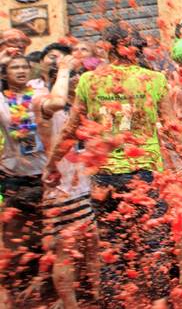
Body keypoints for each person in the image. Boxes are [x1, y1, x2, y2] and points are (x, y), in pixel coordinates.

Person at [44, 25, 182, 308]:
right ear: (136, 49)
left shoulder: (89, 80)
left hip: (104, 178)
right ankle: (159, 302)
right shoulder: (154, 79)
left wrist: (51, 165)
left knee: (112, 248)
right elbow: (173, 128)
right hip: (143, 174)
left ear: (107, 48)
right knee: (154, 245)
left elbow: (71, 130)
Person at [0, 55, 63, 306]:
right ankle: (8, 290)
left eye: (24, 67)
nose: (20, 71)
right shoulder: (2, 101)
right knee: (13, 238)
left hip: (45, 176)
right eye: (14, 67)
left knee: (51, 234)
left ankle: (52, 289)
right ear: (5, 74)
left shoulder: (40, 96)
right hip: (14, 177)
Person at [40, 56, 100, 308]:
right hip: (61, 193)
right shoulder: (47, 108)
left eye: (81, 74)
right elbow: (57, 100)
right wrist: (64, 69)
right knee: (65, 255)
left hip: (87, 190)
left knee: (92, 249)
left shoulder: (90, 108)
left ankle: (96, 299)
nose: (80, 78)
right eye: (75, 75)